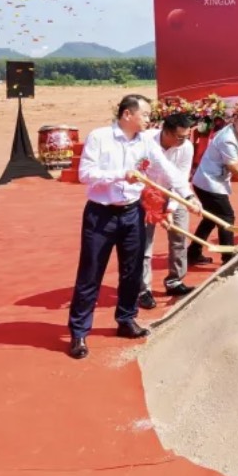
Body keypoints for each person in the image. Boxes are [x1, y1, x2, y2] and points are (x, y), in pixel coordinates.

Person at [67, 94, 196, 361]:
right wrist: (120, 174)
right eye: (145, 114)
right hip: (101, 215)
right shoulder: (100, 137)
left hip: (132, 212)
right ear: (128, 114)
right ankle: (79, 332)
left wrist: (188, 196)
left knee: (132, 271)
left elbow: (168, 169)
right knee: (91, 273)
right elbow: (85, 174)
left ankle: (126, 319)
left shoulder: (146, 142)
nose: (150, 118)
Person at [187, 108, 238, 266]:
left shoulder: (236, 133)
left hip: (209, 180)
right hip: (209, 183)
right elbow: (233, 167)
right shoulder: (228, 139)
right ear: (235, 121)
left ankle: (193, 253)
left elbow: (235, 160)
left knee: (210, 219)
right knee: (227, 217)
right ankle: (228, 258)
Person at [138, 111, 196, 307]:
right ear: (166, 132)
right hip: (145, 195)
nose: (184, 140)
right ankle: (143, 289)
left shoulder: (186, 147)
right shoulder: (145, 140)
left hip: (174, 193)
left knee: (180, 237)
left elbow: (181, 178)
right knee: (144, 244)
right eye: (180, 137)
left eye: (186, 136)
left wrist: (170, 209)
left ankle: (175, 281)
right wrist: (152, 204)